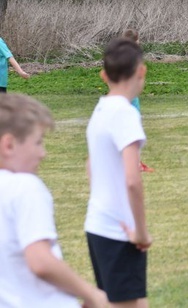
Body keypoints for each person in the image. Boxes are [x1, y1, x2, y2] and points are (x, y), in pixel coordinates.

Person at [0, 93, 109, 308]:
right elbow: (40, 261)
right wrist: (92, 294)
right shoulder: (25, 187)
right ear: (9, 145)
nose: (43, 153)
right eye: (38, 142)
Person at [85, 37, 152, 307]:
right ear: (141, 71)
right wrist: (141, 233)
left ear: (103, 75)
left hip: (97, 225)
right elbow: (132, 180)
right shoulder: (125, 114)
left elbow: (90, 167)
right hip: (119, 231)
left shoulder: (100, 110)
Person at [121, 29, 153, 173]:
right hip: (131, 94)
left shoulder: (118, 54)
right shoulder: (133, 55)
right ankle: (135, 163)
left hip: (121, 93)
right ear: (136, 40)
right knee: (134, 128)